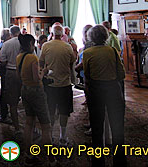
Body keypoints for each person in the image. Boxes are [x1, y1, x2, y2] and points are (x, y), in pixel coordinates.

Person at [82, 25, 126, 166]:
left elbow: (87, 74)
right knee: (117, 125)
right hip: (113, 89)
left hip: (96, 90)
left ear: (91, 37)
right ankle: (119, 160)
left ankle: (98, 160)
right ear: (105, 36)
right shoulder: (112, 51)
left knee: (96, 126)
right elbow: (122, 73)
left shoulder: (88, 52)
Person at [16, 34, 53, 165]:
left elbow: (19, 75)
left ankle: (29, 154)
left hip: (25, 90)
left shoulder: (19, 57)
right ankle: (50, 157)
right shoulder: (32, 57)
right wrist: (45, 71)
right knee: (46, 125)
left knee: (29, 123)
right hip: (36, 91)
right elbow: (36, 78)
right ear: (31, 44)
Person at [40, 24, 77, 145]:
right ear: (62, 35)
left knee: (50, 109)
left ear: (52, 34)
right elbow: (72, 61)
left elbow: (41, 61)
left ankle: (49, 135)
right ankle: (63, 136)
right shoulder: (67, 47)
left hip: (50, 84)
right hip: (65, 83)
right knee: (64, 111)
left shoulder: (46, 45)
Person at [0, 25, 22, 136]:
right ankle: (29, 124)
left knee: (13, 101)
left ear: (11, 33)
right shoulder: (24, 42)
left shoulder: (7, 44)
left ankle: (17, 127)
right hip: (24, 72)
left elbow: (2, 61)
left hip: (11, 72)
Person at [0, 28, 11, 122]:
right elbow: (3, 61)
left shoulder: (2, 44)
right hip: (4, 70)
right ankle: (4, 114)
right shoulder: (4, 45)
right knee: (5, 92)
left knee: (5, 92)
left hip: (3, 70)